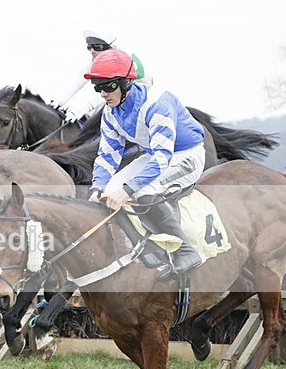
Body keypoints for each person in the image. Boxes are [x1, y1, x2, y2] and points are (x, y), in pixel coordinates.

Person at [85, 49, 204, 279]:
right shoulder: (110, 113)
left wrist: (128, 189)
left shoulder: (157, 104)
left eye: (108, 86)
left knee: (143, 189)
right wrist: (96, 187)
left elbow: (162, 158)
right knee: (109, 193)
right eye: (98, 87)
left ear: (125, 84)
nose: (103, 94)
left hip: (186, 156)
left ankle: (186, 251)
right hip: (157, 155)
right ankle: (144, 247)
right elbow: (107, 156)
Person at [55, 29, 152, 125]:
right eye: (89, 47)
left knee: (102, 104)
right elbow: (78, 80)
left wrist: (83, 108)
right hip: (118, 89)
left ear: (110, 47)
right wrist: (59, 101)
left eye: (97, 46)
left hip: (137, 93)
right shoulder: (96, 61)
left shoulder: (119, 59)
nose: (92, 51)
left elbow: (107, 88)